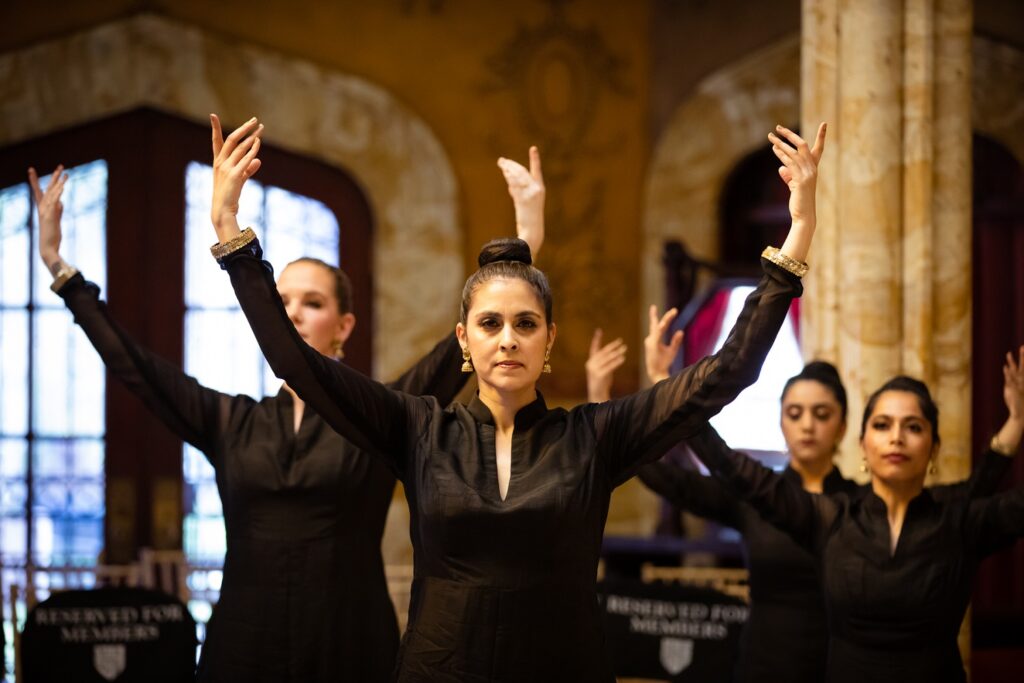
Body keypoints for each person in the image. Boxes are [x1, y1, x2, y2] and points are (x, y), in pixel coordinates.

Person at [208, 114, 825, 681]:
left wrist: (796, 236)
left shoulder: (593, 436)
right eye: (490, 324)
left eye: (526, 324)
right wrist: (231, 236)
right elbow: (296, 361)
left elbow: (728, 373)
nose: (508, 339)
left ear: (549, 338)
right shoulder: (417, 426)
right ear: (464, 341)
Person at [28, 136, 545, 683]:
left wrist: (524, 245)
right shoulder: (233, 422)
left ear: (344, 327)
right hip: (243, 647)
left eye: (313, 303)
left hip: (351, 646)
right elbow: (136, 368)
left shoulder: (384, 416)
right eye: (284, 300)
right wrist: (61, 270)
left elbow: (461, 352)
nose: (292, 313)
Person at [586, 319, 1012, 682]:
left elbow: (960, 508)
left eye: (821, 414)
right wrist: (625, 405)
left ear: (846, 428)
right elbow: (675, 476)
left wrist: (1011, 433)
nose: (807, 426)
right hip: (767, 663)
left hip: (837, 666)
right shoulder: (765, 498)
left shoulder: (858, 505)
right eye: (795, 413)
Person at [679, 348, 1024, 683]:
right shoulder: (832, 519)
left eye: (914, 427)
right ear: (862, 444)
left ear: (934, 447)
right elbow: (736, 470)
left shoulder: (959, 521)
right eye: (882, 425)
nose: (896, 438)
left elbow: (989, 491)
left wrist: (1016, 423)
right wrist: (677, 399)